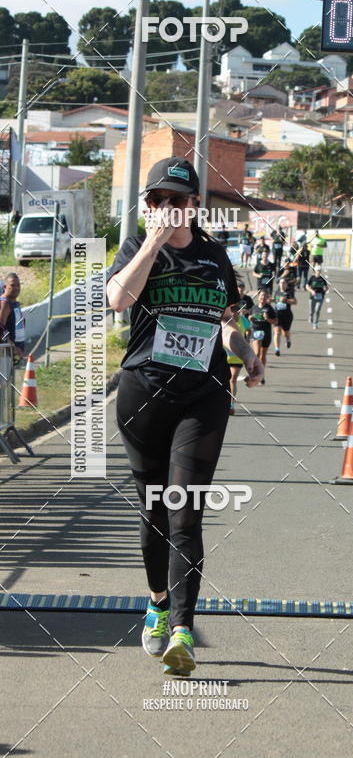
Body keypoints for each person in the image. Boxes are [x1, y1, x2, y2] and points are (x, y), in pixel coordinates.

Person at [106, 156, 263, 676]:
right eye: (159, 200)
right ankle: (155, 602)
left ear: (196, 205)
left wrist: (248, 351)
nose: (169, 208)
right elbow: (116, 299)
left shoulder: (216, 257)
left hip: (204, 396)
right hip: (144, 395)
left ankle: (181, 629)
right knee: (154, 512)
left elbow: (227, 323)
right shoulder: (136, 247)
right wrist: (151, 243)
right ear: (149, 205)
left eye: (179, 200)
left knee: (185, 511)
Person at [226, 304, 251, 415]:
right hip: (224, 355)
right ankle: (222, 402)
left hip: (237, 356)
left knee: (232, 379)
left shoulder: (243, 321)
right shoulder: (225, 321)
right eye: (231, 311)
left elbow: (249, 330)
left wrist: (247, 340)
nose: (233, 313)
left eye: (235, 311)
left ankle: (231, 404)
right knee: (224, 380)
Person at [249, 288, 277, 384]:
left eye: (265, 296)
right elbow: (249, 317)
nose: (263, 297)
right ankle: (253, 372)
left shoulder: (269, 309)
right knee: (256, 353)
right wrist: (250, 318)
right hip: (256, 331)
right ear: (258, 297)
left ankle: (261, 375)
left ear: (268, 297)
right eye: (261, 295)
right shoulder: (254, 308)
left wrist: (268, 318)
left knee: (262, 355)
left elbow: (275, 321)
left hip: (266, 333)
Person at [0, 273, 25, 358]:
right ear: (5, 287)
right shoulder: (4, 303)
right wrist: (13, 347)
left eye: (18, 285)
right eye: (12, 285)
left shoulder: (14, 303)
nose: (16, 288)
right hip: (5, 353)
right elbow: (0, 328)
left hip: (14, 353)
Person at [273, 275, 297, 355]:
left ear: (286, 284)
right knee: (277, 331)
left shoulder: (289, 292)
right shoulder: (277, 292)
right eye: (280, 283)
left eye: (283, 283)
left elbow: (295, 302)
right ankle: (277, 349)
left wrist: (286, 300)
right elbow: (276, 300)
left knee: (285, 332)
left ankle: (288, 339)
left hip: (287, 315)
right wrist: (270, 300)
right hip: (277, 314)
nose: (282, 284)